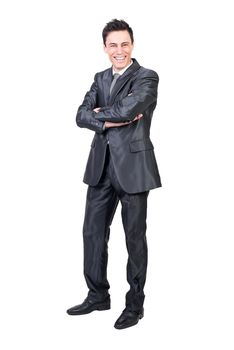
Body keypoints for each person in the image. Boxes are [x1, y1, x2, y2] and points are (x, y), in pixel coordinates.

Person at [67, 19, 161, 330]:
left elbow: (127, 110)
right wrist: (107, 118)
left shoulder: (146, 77)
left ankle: (134, 305)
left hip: (133, 169)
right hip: (101, 167)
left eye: (124, 44)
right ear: (105, 48)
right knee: (92, 234)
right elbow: (80, 114)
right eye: (112, 45)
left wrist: (101, 115)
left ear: (132, 45)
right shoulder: (100, 78)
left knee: (134, 239)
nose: (118, 50)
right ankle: (97, 295)